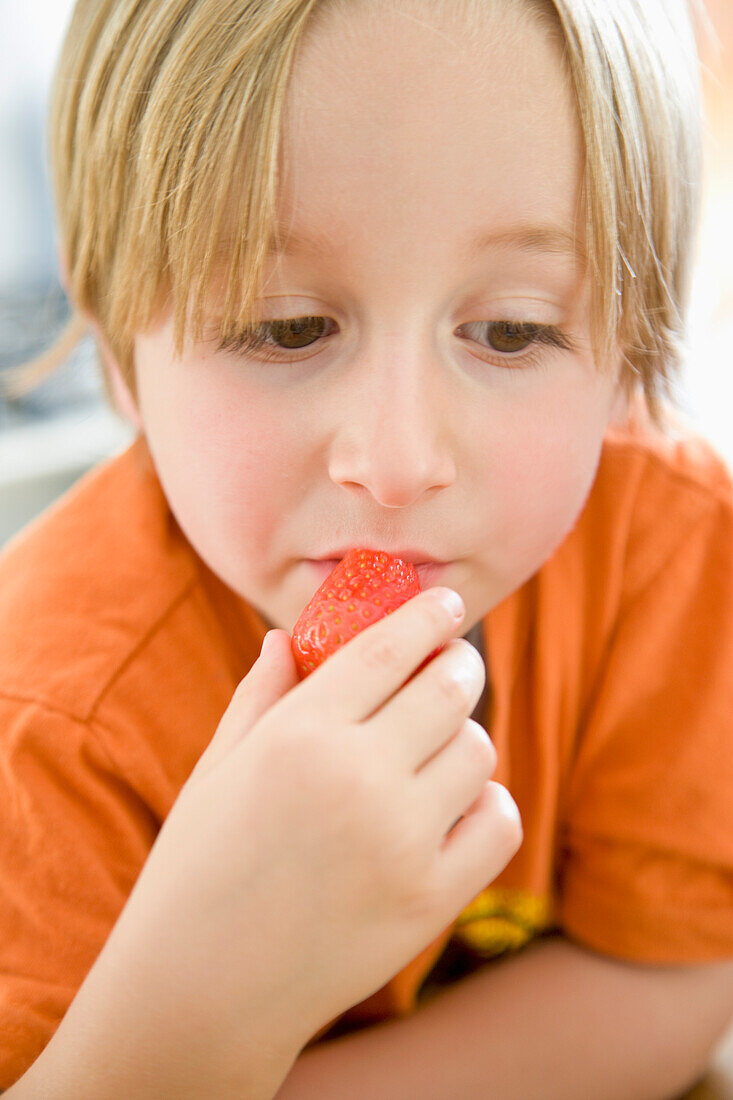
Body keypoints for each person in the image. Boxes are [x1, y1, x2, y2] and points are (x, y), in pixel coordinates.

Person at [2, 0, 733, 1095]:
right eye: (289, 325)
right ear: (114, 343)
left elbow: (677, 972)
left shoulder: (666, 546)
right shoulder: (47, 721)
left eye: (513, 330)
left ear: (625, 356)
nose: (397, 464)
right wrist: (194, 995)